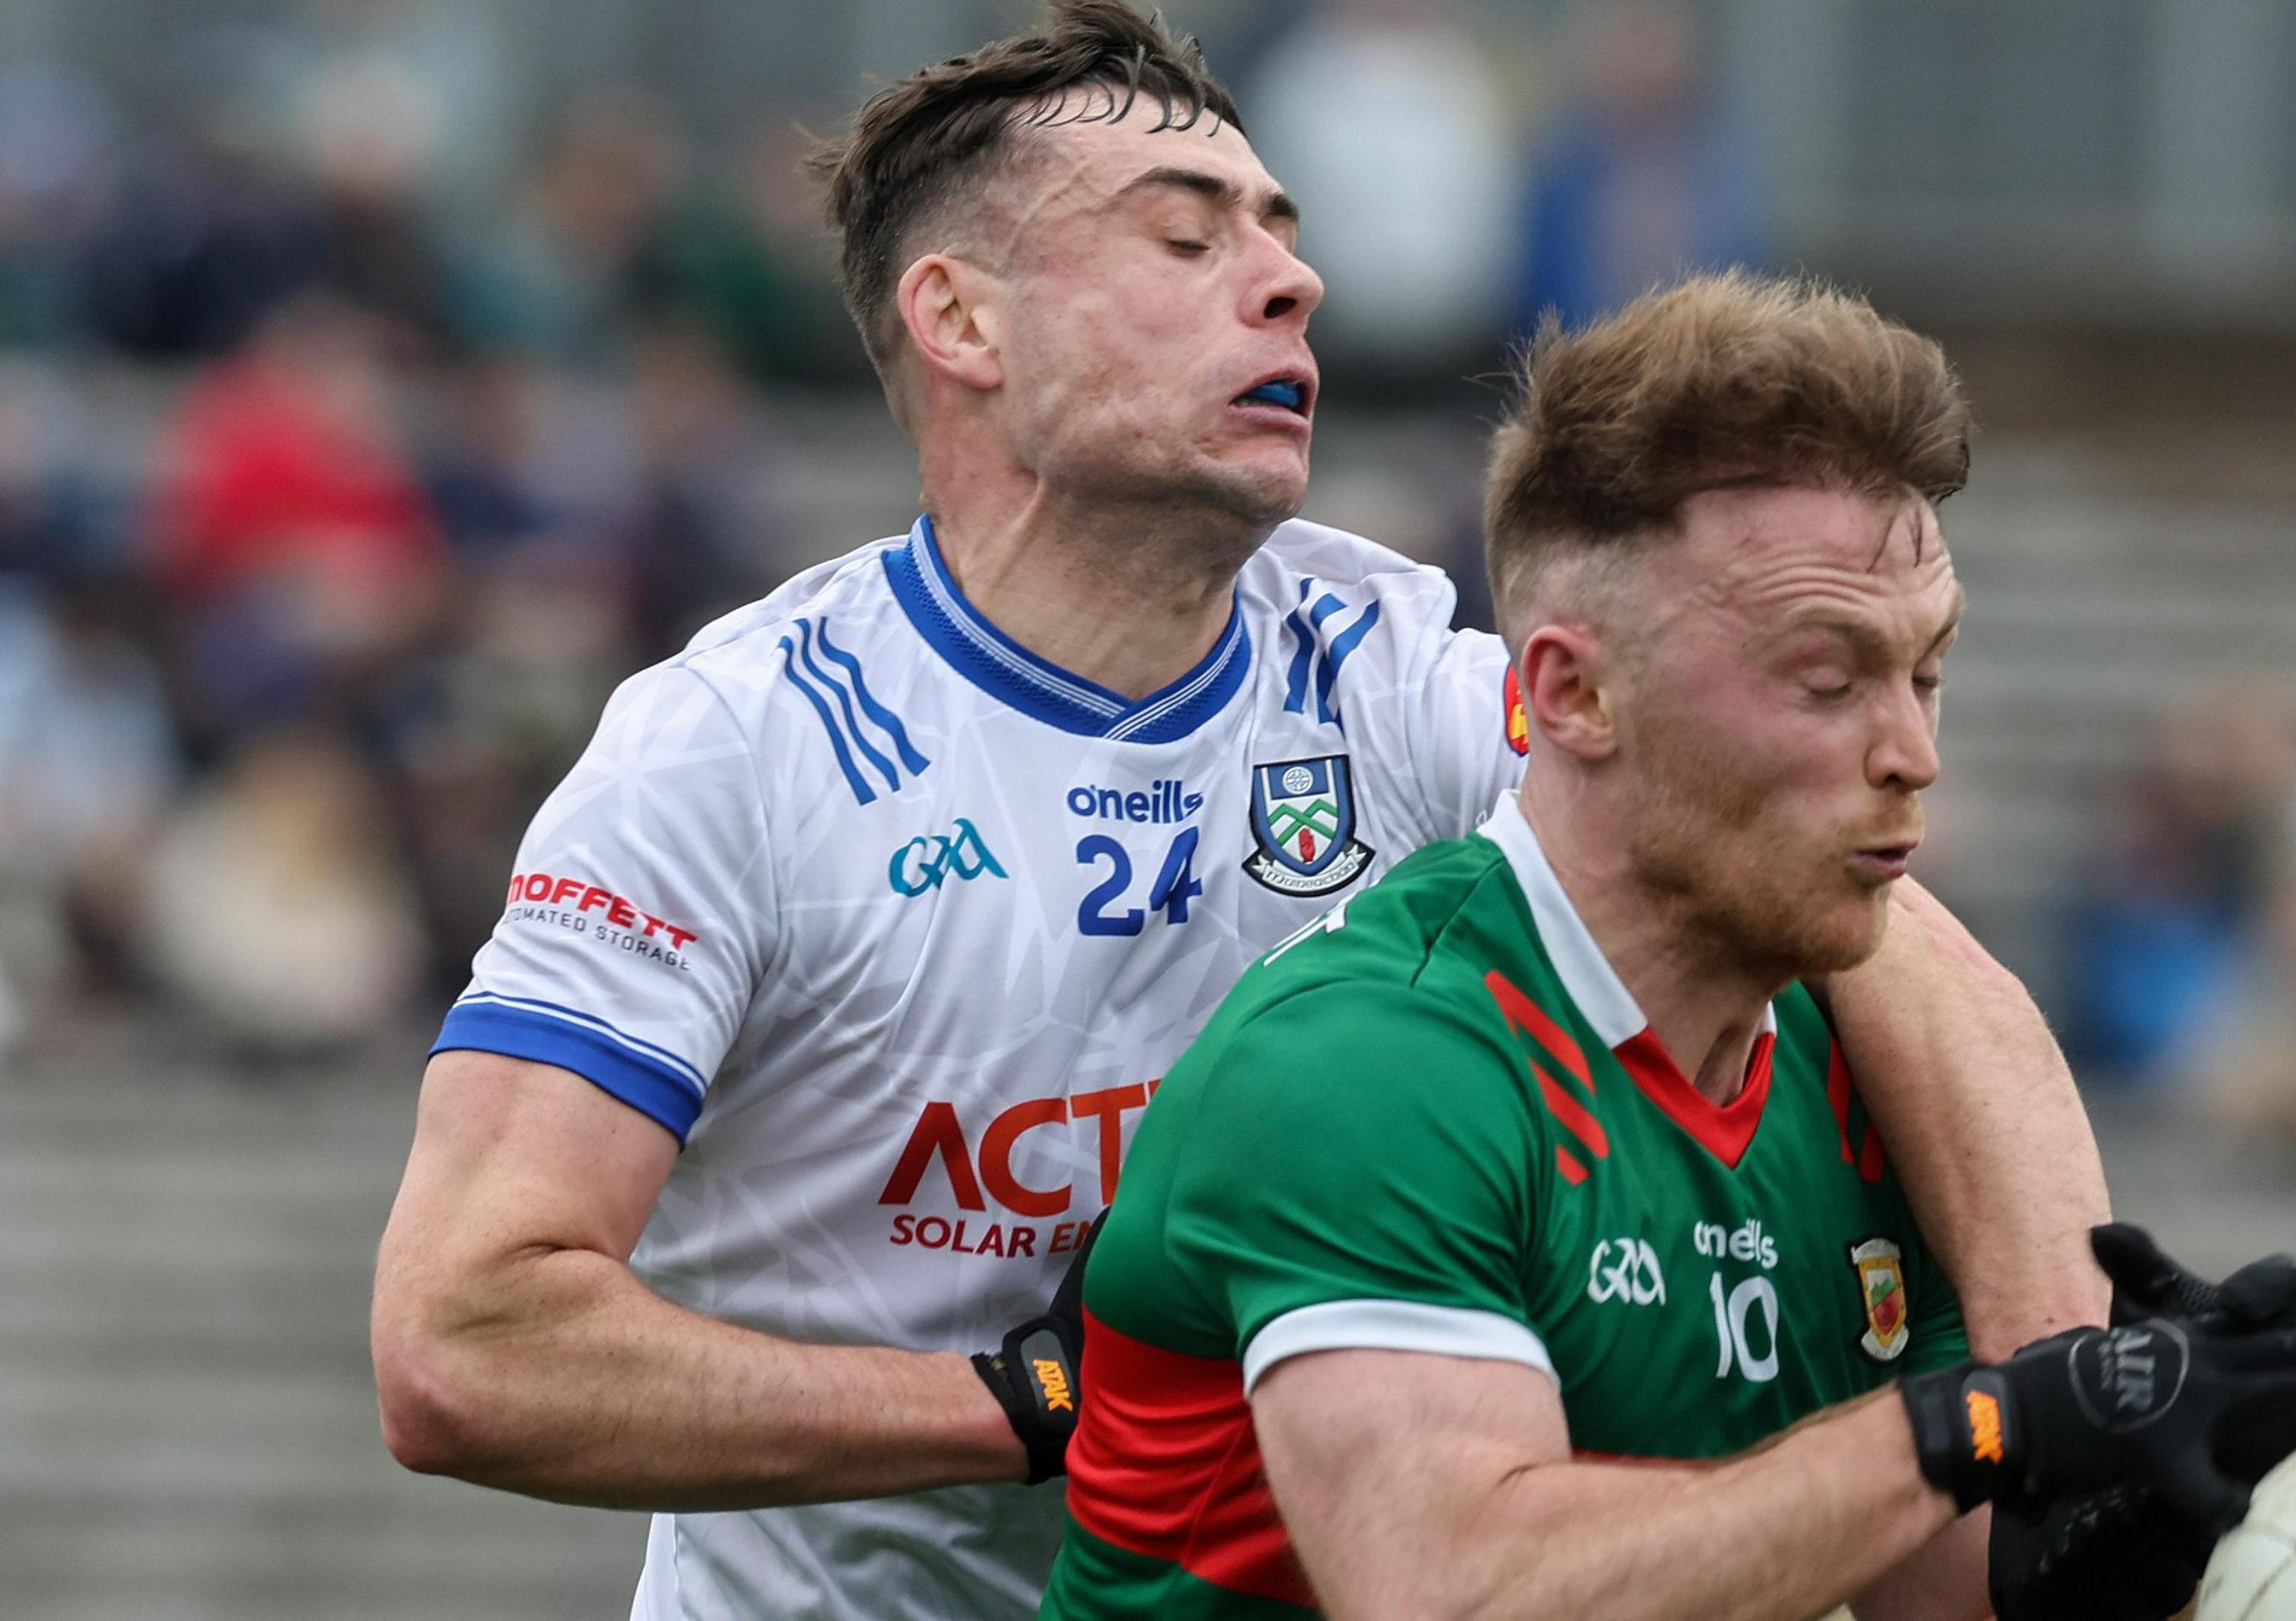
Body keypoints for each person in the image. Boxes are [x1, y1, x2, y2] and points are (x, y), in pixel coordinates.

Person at [368, 8, 2111, 1618]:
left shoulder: (1375, 657)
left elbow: (1873, 933)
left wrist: (2066, 1401)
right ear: (962, 318)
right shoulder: (732, 753)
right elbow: (466, 1347)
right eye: (1190, 238)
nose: (1293, 282)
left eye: (1278, 232)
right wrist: (1020, 1410)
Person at [1040, 273, 2296, 1621]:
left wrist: (2130, 1522)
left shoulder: (1863, 1078)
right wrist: (1981, 1429)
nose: (1912, 754)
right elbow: (1454, 1591)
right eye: (1828, 680)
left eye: (1925, 672)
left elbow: (1933, 1583)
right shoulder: (1369, 1063)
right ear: (1572, 694)